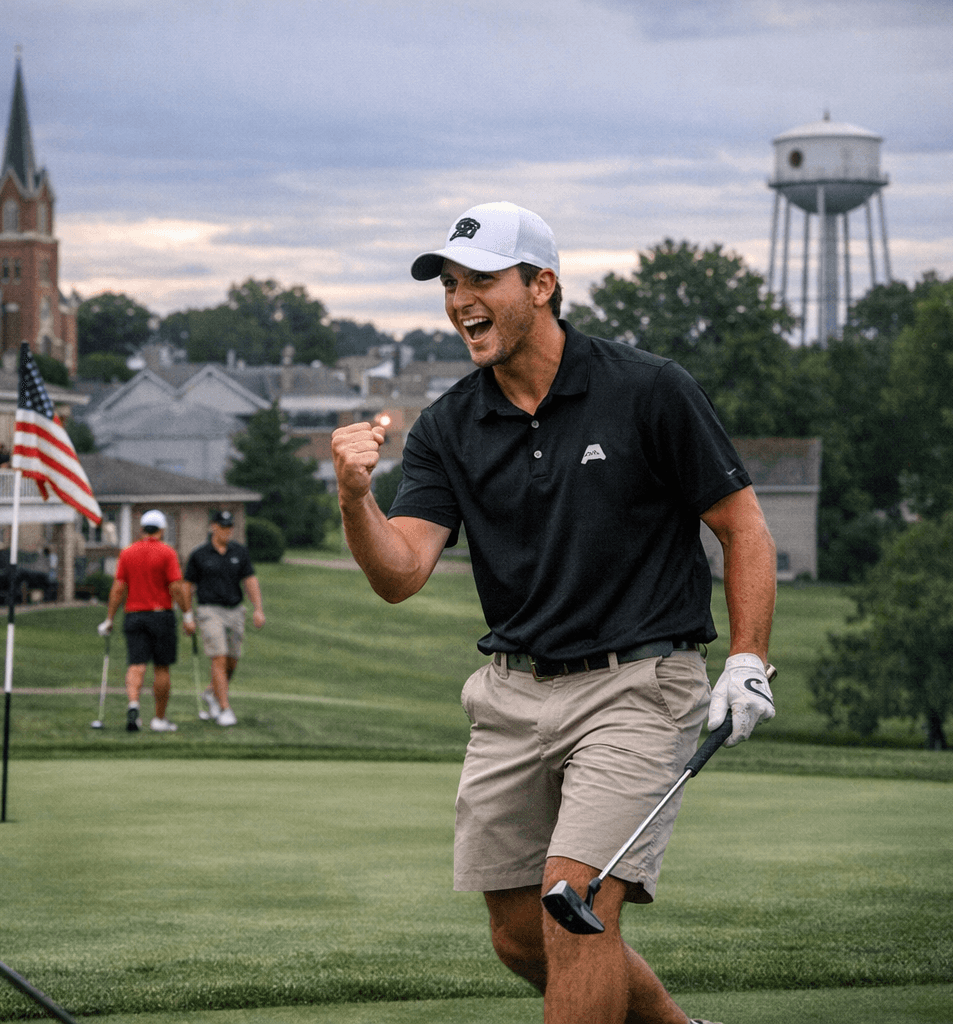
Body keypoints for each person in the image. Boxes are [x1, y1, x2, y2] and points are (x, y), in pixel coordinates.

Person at [329, 201, 777, 1024]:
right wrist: (356, 498)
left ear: (542, 286)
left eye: (482, 279)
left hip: (638, 684)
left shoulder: (648, 389)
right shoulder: (448, 426)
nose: (461, 297)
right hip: (511, 695)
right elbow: (401, 572)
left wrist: (748, 658)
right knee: (518, 935)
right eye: (451, 282)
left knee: (576, 904)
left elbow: (741, 527)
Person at [98, 510, 194, 733]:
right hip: (161, 615)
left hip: (134, 615)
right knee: (161, 667)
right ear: (162, 530)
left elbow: (118, 589)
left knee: (136, 664)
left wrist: (109, 619)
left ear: (142, 529)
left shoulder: (128, 553)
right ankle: (159, 719)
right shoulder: (167, 553)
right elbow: (176, 587)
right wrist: (187, 614)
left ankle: (133, 704)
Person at [182, 509, 266, 726]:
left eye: (230, 527)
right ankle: (224, 708)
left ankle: (211, 693)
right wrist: (188, 615)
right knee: (218, 657)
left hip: (235, 610)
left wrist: (258, 608)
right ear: (213, 527)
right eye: (223, 527)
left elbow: (250, 580)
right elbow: (187, 586)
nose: (227, 531)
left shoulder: (239, 551)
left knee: (232, 660)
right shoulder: (199, 554)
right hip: (209, 611)